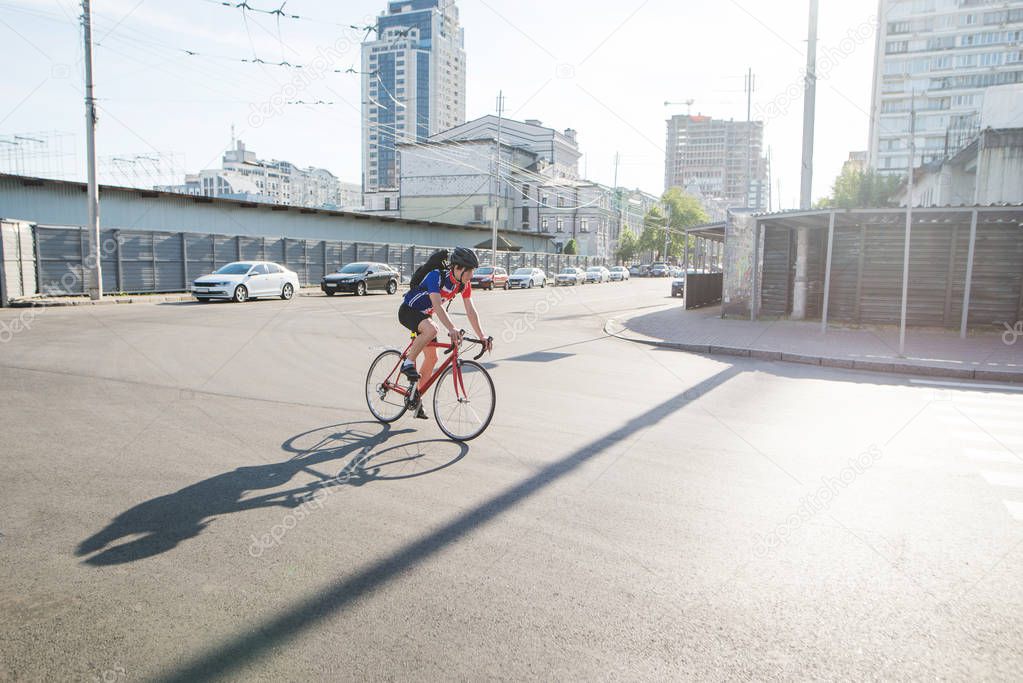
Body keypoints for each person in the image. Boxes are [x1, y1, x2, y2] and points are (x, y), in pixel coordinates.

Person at [397, 246, 492, 419]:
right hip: (408, 311)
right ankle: (408, 363)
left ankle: (415, 398)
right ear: (457, 268)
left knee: (433, 358)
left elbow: (471, 310)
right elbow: (436, 305)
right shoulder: (436, 276)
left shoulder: (463, 285)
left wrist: (482, 336)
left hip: (425, 317)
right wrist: (451, 328)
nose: (471, 276)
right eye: (469, 271)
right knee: (433, 328)